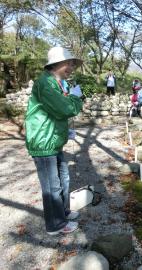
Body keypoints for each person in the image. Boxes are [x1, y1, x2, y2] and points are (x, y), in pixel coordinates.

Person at [25, 47, 83, 235]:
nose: (72, 67)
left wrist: (68, 131)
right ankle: (55, 224)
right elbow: (65, 109)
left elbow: (55, 114)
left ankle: (62, 212)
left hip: (53, 141)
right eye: (69, 63)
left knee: (63, 179)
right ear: (56, 63)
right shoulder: (46, 83)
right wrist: (75, 97)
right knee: (52, 185)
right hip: (43, 142)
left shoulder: (56, 83)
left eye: (73, 64)